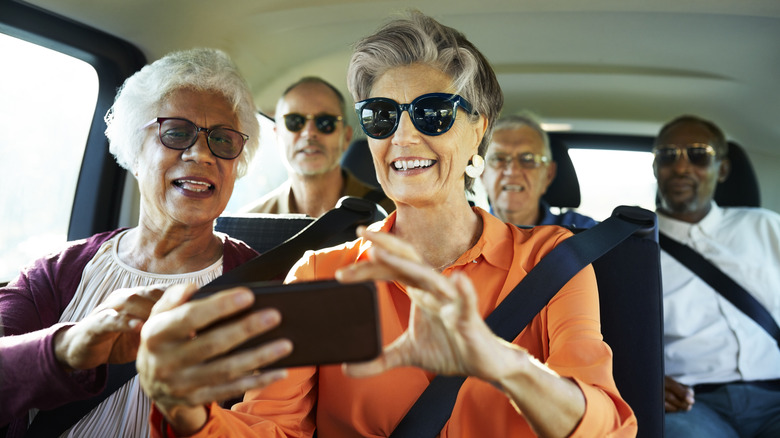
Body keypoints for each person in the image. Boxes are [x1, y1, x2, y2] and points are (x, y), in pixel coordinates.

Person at [137, 11, 637, 437]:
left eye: (433, 113)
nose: (402, 135)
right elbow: (273, 428)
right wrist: (187, 412)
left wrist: (501, 362)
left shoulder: (553, 261)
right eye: (381, 115)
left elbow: (610, 428)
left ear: (478, 131)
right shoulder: (321, 274)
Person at [0, 48, 263, 437]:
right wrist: (68, 348)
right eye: (176, 132)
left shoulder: (268, 284)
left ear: (236, 166)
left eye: (222, 140)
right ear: (134, 152)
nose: (201, 154)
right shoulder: (55, 274)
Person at [654, 115, 780, 437]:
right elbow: (615, 339)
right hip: (691, 405)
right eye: (668, 156)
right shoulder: (633, 248)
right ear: (655, 167)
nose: (681, 168)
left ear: (722, 169)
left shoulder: (766, 227)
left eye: (698, 155)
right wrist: (643, 378)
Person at [240, 76, 394, 217]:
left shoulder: (390, 215)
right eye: (294, 121)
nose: (309, 132)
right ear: (277, 135)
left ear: (346, 137)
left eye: (325, 122)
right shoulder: (248, 224)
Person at [480, 112, 597, 227]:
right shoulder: (466, 234)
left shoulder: (584, 233)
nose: (512, 171)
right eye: (499, 159)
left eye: (528, 159)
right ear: (482, 174)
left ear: (548, 175)